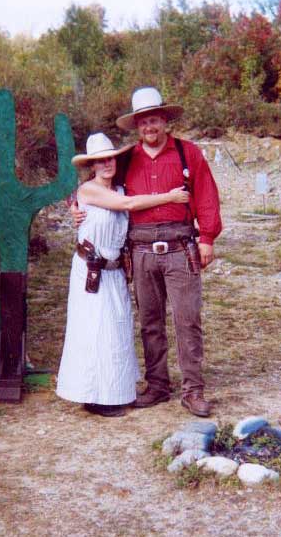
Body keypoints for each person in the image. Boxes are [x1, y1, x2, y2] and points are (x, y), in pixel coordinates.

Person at [73, 87, 222, 417]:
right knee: (150, 322)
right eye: (143, 123)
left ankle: (193, 389)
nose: (149, 128)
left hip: (181, 247)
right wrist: (75, 206)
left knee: (187, 319)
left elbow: (207, 195)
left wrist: (207, 237)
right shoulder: (126, 159)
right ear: (136, 126)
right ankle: (157, 385)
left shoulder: (189, 154)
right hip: (140, 250)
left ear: (165, 121)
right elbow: (99, 185)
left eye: (154, 120)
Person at [56, 132, 190, 417]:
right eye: (100, 161)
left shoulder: (119, 188)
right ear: (91, 166)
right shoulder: (90, 191)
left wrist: (72, 205)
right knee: (93, 330)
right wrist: (170, 196)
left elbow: (125, 203)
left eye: (110, 159)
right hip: (91, 268)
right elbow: (128, 206)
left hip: (114, 269)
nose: (106, 164)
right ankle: (93, 394)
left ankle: (113, 391)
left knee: (115, 330)